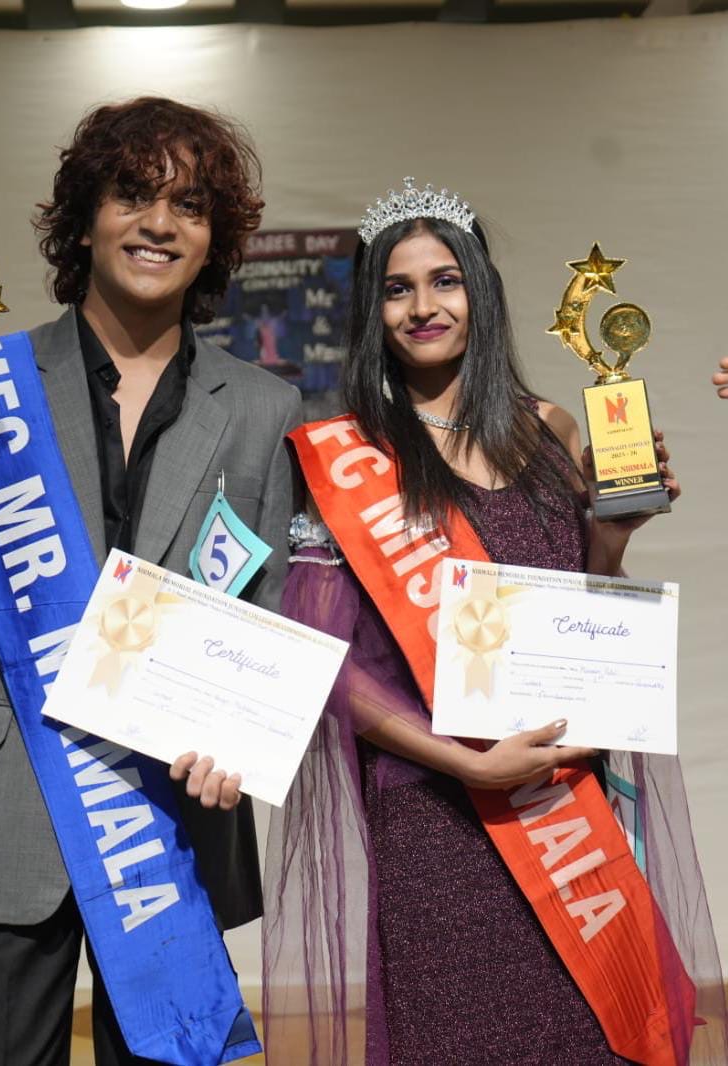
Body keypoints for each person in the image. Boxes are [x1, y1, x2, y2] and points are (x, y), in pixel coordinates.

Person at [0, 97, 301, 1066]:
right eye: (131, 195)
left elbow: (266, 616)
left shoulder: (264, 409)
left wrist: (239, 738)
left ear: (213, 238)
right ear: (83, 219)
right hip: (6, 805)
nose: (158, 223)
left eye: (188, 205)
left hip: (170, 824)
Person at [262, 179, 727, 1065]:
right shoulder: (348, 453)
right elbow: (329, 663)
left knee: (581, 1037)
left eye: (445, 281)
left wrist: (614, 532)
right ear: (371, 311)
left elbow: (585, 604)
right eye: (396, 289)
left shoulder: (548, 427)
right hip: (433, 811)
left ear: (479, 289)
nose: (422, 307)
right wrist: (468, 764)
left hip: (562, 797)